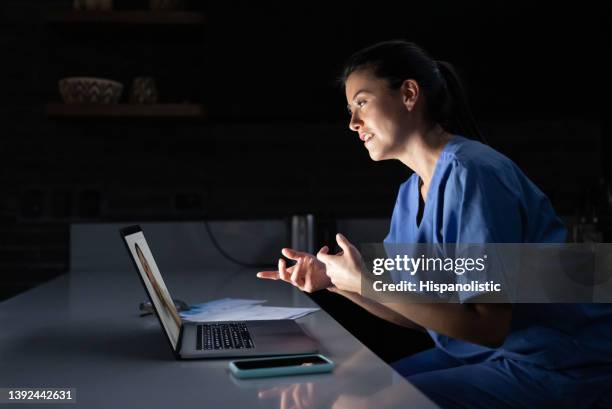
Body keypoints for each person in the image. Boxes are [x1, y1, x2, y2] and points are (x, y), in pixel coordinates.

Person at [257, 40, 612, 409]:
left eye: (361, 102)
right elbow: (415, 310)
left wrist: (367, 282)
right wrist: (337, 284)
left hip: (560, 365)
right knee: (338, 388)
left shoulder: (473, 173)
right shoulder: (410, 193)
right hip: (485, 355)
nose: (353, 123)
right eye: (350, 109)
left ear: (409, 94)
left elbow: (488, 326)